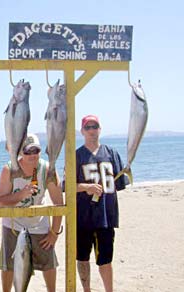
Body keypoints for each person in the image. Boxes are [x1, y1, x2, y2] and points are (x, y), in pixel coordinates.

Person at [0, 133, 64, 292]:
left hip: (39, 223)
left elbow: (58, 203)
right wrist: (21, 194)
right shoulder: (9, 169)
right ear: (20, 152)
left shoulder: (47, 169)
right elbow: (1, 201)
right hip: (13, 225)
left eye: (36, 150)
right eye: (28, 151)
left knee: (48, 262)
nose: (32, 155)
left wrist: (54, 233)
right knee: (9, 265)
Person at [69, 115, 128, 292]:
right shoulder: (76, 155)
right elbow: (66, 186)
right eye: (88, 128)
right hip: (83, 217)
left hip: (106, 217)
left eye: (95, 127)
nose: (92, 131)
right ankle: (86, 289)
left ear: (100, 129)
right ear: (82, 131)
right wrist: (85, 187)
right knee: (82, 258)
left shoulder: (111, 153)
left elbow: (119, 183)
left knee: (106, 259)